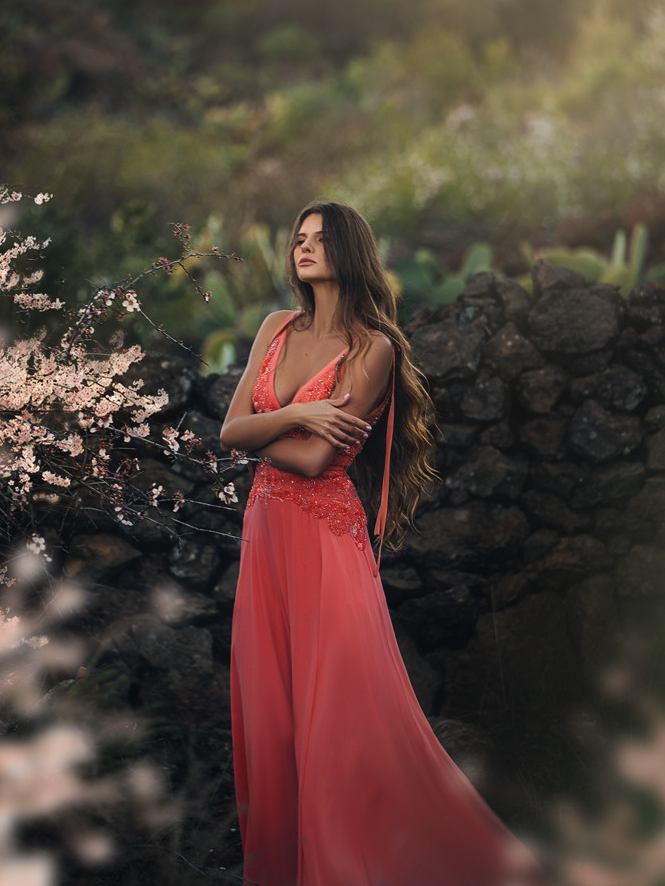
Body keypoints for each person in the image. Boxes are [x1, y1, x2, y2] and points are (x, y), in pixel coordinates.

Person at [220, 201, 546, 886]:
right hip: (266, 536)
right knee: (273, 715)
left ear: (349, 250)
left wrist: (265, 429)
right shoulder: (275, 327)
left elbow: (313, 460)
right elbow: (229, 431)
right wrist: (303, 411)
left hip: (326, 542)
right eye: (298, 238)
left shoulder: (375, 349)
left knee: (338, 717)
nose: (304, 247)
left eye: (320, 238)